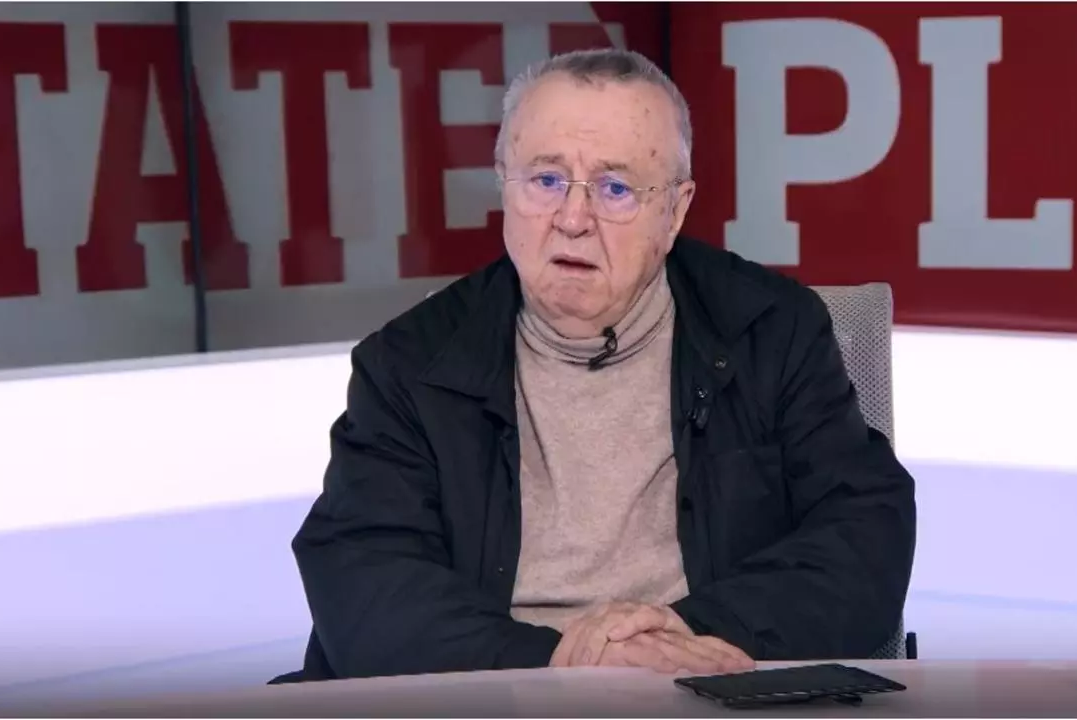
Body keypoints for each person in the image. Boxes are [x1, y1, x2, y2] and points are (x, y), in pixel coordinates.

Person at [279, 48, 916, 682]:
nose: (573, 219)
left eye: (615, 188)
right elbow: (365, 576)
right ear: (504, 183)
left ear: (675, 211)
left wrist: (687, 634)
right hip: (499, 694)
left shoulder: (773, 330)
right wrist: (563, 662)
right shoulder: (407, 362)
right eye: (546, 180)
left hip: (707, 685)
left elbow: (865, 533)